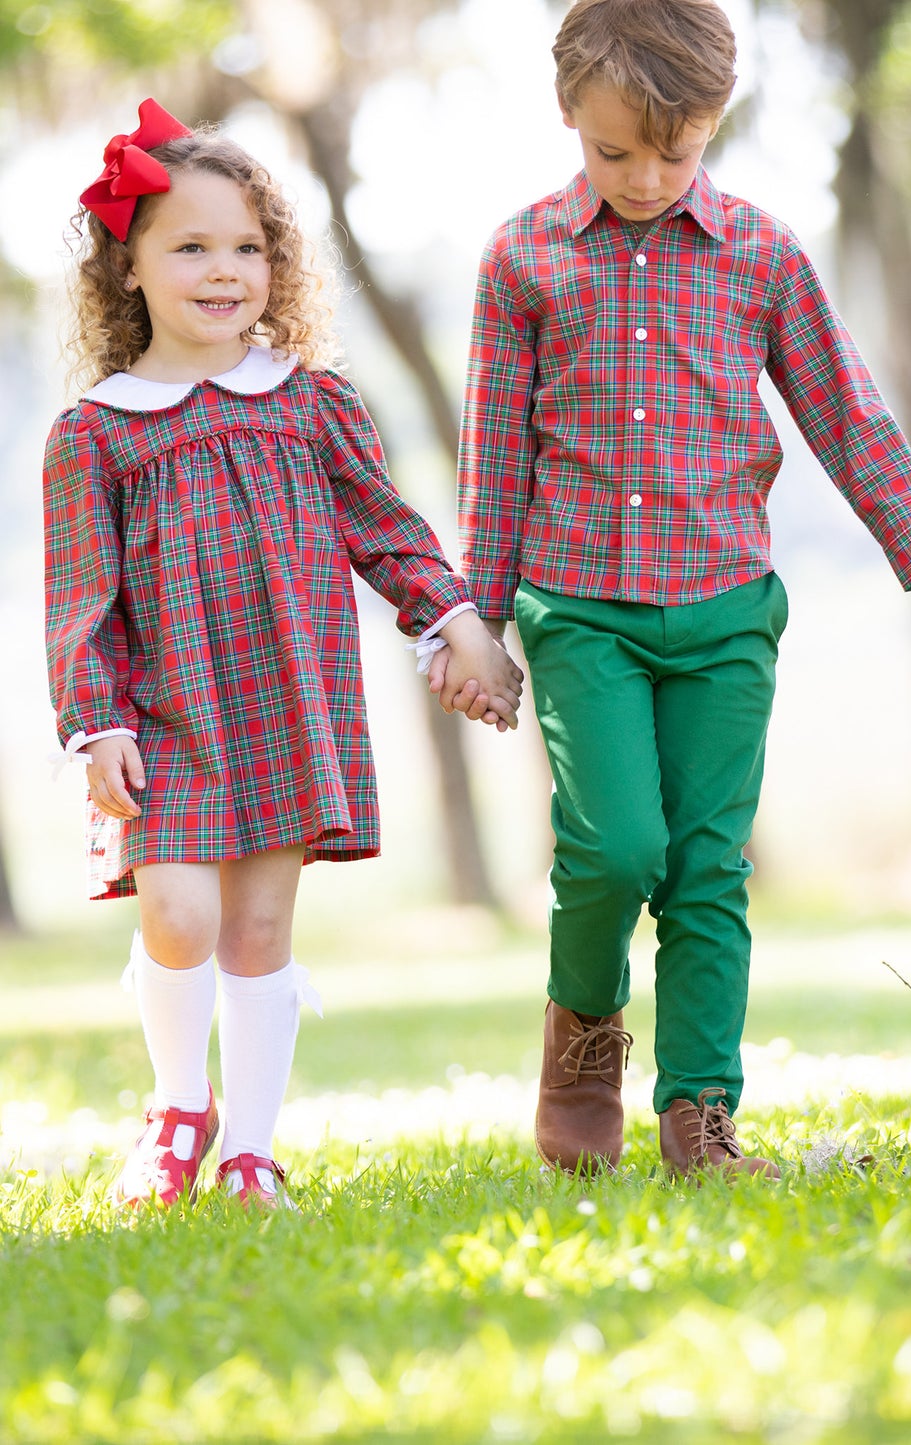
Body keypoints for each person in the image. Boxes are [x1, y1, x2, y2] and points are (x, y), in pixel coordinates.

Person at [451, 0, 911, 1179]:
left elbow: (849, 420)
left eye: (677, 149)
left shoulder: (760, 255)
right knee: (612, 849)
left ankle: (698, 1114)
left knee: (707, 866)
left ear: (717, 121)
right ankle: (581, 1045)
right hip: (580, 609)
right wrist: (475, 617)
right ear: (569, 114)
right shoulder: (522, 257)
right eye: (616, 152)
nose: (648, 176)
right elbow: (496, 453)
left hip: (723, 612)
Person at [44, 100, 523, 1209]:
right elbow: (80, 602)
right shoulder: (99, 432)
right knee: (179, 913)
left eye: (249, 247)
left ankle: (252, 1146)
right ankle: (177, 1108)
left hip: (284, 707)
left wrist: (453, 621)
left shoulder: (310, 404)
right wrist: (96, 720)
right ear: (128, 267)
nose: (225, 271)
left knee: (257, 928)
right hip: (163, 717)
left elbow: (386, 529)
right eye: (191, 246)